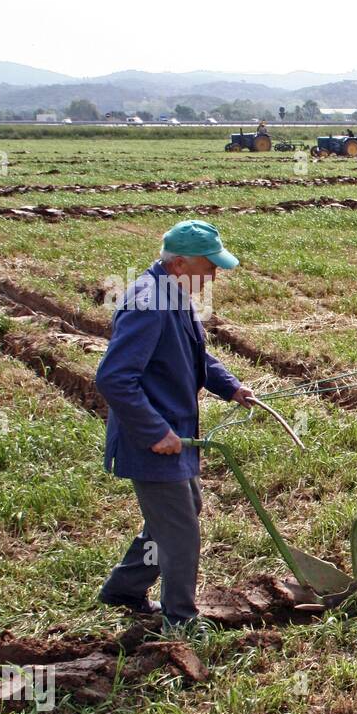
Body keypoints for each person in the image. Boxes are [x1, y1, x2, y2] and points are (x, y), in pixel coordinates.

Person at [95, 221, 256, 631]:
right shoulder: (149, 304)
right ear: (181, 263)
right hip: (151, 439)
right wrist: (154, 432)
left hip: (173, 432)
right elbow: (114, 378)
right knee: (180, 530)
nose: (215, 275)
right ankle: (180, 619)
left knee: (179, 515)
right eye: (210, 266)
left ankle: (125, 587)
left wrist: (231, 388)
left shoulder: (174, 293)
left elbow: (196, 354)